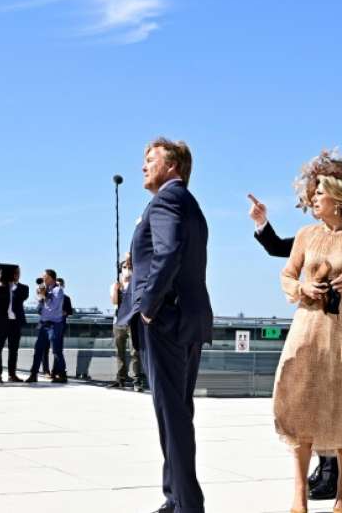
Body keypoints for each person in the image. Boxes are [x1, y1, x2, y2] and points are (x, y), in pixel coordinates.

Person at [247, 192, 342, 502]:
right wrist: (262, 223)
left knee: (340, 400)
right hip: (312, 326)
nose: (313, 198)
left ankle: (334, 479)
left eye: (321, 192)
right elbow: (281, 251)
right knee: (311, 397)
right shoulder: (309, 235)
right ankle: (323, 475)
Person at [128, 137, 213, 513]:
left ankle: (188, 505)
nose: (143, 166)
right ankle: (174, 496)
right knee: (177, 410)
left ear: (172, 166)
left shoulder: (164, 200)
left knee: (172, 414)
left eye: (150, 159)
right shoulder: (188, 203)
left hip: (166, 319)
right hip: (188, 317)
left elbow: (170, 250)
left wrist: (147, 304)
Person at [109, 253, 144, 391]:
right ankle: (121, 378)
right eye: (124, 267)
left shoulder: (137, 284)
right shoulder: (115, 284)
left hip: (133, 321)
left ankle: (137, 379)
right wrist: (117, 290)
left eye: (129, 267)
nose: (127, 269)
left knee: (134, 351)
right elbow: (114, 302)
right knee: (119, 351)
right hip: (118, 321)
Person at [26, 269, 67, 384]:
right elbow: (39, 308)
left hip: (55, 325)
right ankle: (33, 374)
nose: (43, 279)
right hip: (44, 324)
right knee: (38, 349)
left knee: (56, 350)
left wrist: (45, 295)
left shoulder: (58, 290)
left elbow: (53, 307)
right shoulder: (44, 290)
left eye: (45, 277)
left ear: (51, 278)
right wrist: (40, 296)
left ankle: (62, 374)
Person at [0, 265, 28, 382]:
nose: (17, 275)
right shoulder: (2, 287)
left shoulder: (23, 288)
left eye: (18, 273)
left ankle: (12, 374)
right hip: (2, 322)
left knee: (13, 350)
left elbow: (21, 297)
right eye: (15, 273)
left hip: (15, 323)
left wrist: (13, 285)